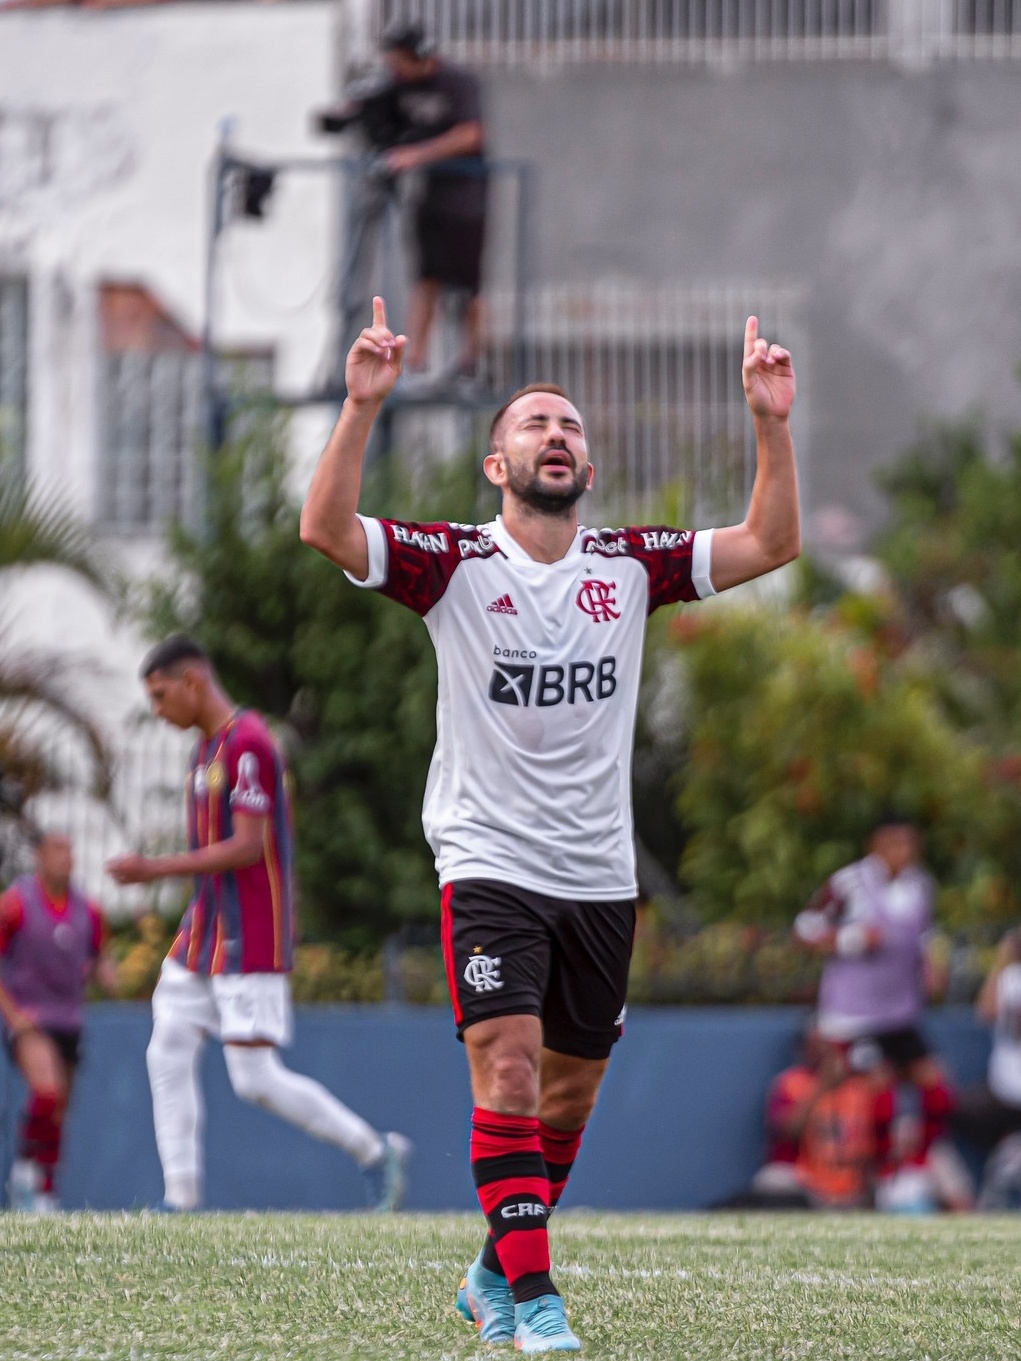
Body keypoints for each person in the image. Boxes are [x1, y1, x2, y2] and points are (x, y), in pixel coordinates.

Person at [299, 295, 799, 1352]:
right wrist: (360, 405)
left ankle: (491, 1270)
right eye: (534, 422)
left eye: (568, 424)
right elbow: (326, 529)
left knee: (563, 1101)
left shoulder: (629, 563)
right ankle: (536, 1304)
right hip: (485, 860)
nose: (556, 434)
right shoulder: (452, 562)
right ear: (497, 465)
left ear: (585, 461)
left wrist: (768, 421)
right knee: (510, 1069)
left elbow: (769, 541)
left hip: (599, 876)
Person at [105, 635, 410, 1213]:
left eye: (160, 694)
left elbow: (249, 847)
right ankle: (182, 1200)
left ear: (193, 681)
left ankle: (375, 1151)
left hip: (250, 936)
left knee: (255, 1078)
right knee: (166, 1046)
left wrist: (154, 869)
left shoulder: (249, 744)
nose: (157, 709)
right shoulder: (205, 751)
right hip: (204, 933)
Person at [793, 814, 964, 1207]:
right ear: (877, 845)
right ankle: (880, 1178)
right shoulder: (849, 883)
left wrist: (931, 966)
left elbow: (925, 935)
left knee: (937, 1090)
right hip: (852, 1015)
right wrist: (854, 939)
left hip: (900, 1012)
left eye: (910, 844)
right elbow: (804, 929)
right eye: (896, 844)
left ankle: (914, 1168)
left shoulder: (920, 885)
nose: (905, 853)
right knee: (879, 1089)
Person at [316, 22, 488, 389]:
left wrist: (415, 155)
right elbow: (372, 109)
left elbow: (471, 134)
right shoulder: (397, 84)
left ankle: (472, 362)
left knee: (469, 285)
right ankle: (417, 362)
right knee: (426, 278)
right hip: (429, 196)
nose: (395, 70)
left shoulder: (457, 82)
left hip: (467, 196)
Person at [0, 831, 117, 1211]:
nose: (66, 858)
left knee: (60, 1108)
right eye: (57, 850)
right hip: (31, 1020)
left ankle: (45, 1191)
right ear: (39, 857)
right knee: (46, 1092)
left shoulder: (90, 911)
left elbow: (100, 958)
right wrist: (14, 1015)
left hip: (69, 1020)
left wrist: (111, 977)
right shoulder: (15, 904)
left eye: (70, 850)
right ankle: (24, 1173)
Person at [950, 928, 1021, 1208]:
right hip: (1003, 1093)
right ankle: (1010, 1151)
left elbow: (985, 1011)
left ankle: (1010, 1152)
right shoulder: (1011, 977)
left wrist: (1002, 959)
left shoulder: (1010, 976)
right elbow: (986, 1011)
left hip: (1005, 1091)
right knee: (950, 1108)